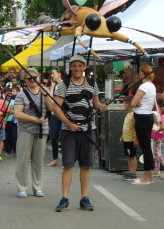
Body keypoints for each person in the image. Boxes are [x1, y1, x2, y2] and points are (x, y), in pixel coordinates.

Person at [53, 55, 107, 212]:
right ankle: (65, 198)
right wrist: (69, 124)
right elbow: (57, 108)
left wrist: (101, 107)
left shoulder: (92, 83)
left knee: (86, 166)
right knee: (68, 165)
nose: (77, 68)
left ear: (84, 67)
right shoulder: (63, 85)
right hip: (69, 131)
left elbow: (95, 103)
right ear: (70, 67)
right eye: (74, 66)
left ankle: (84, 198)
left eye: (80, 65)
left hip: (88, 130)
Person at [14, 68, 53, 198]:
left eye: (35, 78)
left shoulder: (45, 91)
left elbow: (52, 108)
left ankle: (37, 187)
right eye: (29, 78)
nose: (32, 80)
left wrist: (46, 94)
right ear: (25, 80)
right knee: (23, 159)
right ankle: (22, 187)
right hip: (26, 129)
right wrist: (34, 119)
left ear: (39, 78)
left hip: (43, 129)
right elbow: (18, 113)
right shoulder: (21, 94)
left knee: (38, 160)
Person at [130, 64, 156, 185]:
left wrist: (136, 102)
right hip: (148, 115)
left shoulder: (143, 86)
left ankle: (147, 176)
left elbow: (133, 102)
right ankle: (149, 174)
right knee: (147, 147)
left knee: (145, 148)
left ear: (141, 73)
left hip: (142, 117)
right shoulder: (152, 86)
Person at [46, 67, 66, 167]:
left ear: (59, 74)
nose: (51, 75)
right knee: (54, 136)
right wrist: (52, 87)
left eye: (53, 73)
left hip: (63, 113)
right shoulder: (53, 86)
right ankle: (55, 159)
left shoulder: (65, 84)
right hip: (54, 114)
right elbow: (50, 100)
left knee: (64, 136)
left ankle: (65, 160)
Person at [120, 96, 138, 180]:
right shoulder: (128, 114)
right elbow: (126, 127)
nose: (123, 106)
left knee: (132, 156)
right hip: (126, 138)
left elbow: (136, 128)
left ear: (127, 104)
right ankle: (130, 171)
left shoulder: (134, 115)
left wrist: (136, 139)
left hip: (131, 139)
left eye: (124, 104)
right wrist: (123, 136)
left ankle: (133, 173)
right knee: (129, 156)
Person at [151, 93, 164, 176]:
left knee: (157, 152)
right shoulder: (161, 110)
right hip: (159, 133)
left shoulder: (156, 111)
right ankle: (156, 169)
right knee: (156, 151)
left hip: (157, 132)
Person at [4, 86, 18, 158]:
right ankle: (8, 151)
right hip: (5, 122)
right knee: (7, 137)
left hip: (13, 121)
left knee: (14, 137)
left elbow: (17, 110)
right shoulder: (3, 102)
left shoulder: (14, 101)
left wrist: (12, 111)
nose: (8, 96)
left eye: (10, 94)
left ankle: (15, 150)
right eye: (7, 94)